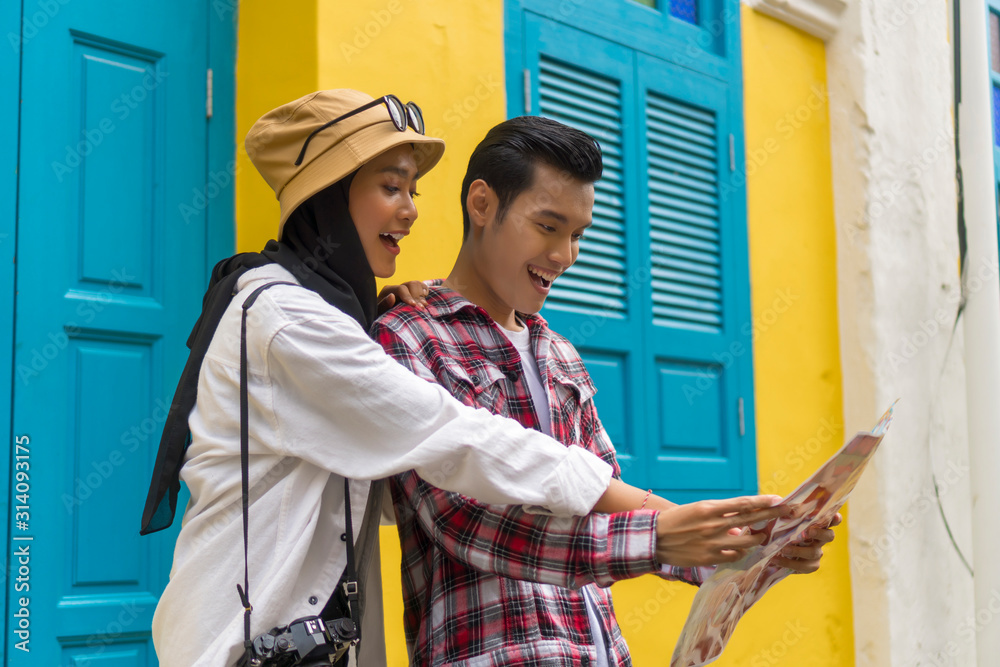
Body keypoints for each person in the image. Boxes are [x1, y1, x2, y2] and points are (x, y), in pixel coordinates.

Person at [139, 90, 785, 667]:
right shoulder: (301, 320)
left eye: (413, 190)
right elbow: (456, 464)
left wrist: (739, 548)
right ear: (328, 195)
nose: (412, 210)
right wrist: (659, 522)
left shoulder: (551, 354)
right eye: (391, 187)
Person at [373, 116, 838, 666]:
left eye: (578, 234)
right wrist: (659, 537)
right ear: (481, 204)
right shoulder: (408, 336)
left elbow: (607, 502)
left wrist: (754, 547)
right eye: (548, 226)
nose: (565, 255)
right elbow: (462, 518)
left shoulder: (560, 353)